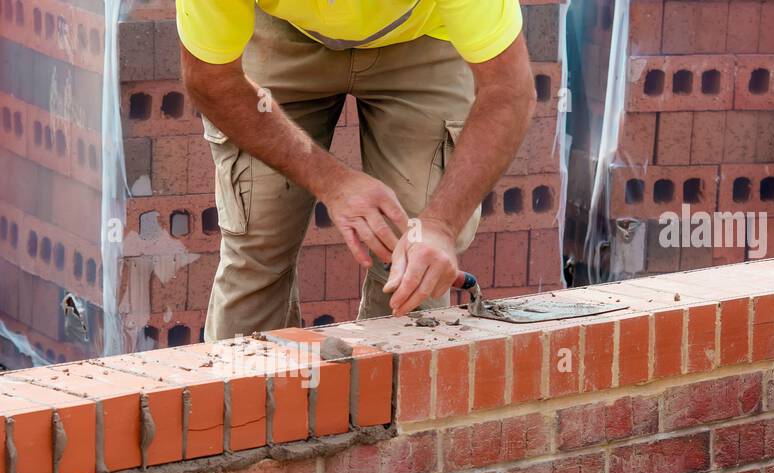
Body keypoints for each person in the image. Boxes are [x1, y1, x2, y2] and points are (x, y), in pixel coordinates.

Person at [177, 0, 535, 340]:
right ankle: (251, 395)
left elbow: (508, 87)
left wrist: (441, 224)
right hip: (282, 32)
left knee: (415, 258)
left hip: (422, 36)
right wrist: (330, 181)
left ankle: (391, 397)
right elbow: (211, 78)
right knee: (259, 246)